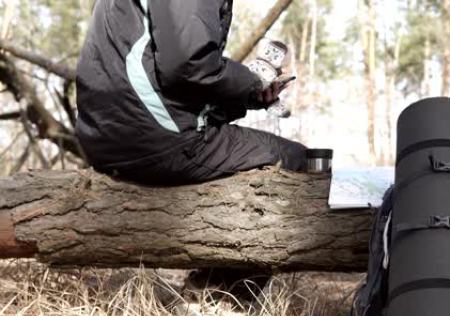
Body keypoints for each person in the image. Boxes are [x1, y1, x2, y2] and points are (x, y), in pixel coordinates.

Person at [76, 0, 307, 186]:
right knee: (304, 160)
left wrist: (250, 94)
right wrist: (251, 83)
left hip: (103, 140)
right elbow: (186, 66)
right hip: (156, 142)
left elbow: (162, 78)